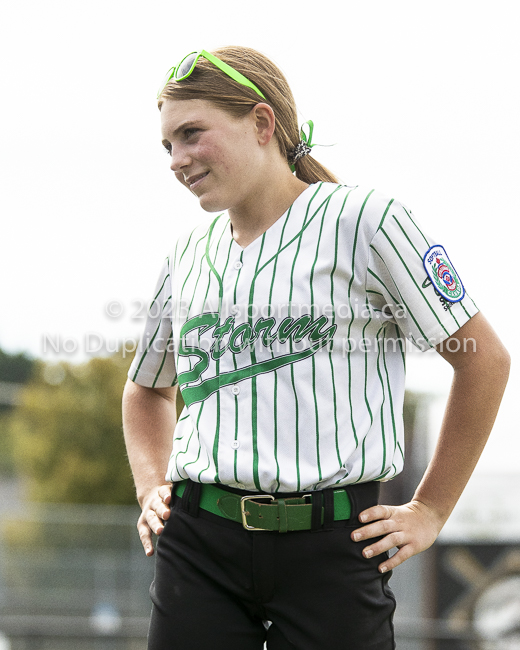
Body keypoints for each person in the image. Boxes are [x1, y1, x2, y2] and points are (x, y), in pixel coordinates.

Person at [122, 46, 510, 650]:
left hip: (334, 544)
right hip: (198, 545)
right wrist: (151, 487)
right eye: (167, 145)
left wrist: (430, 508)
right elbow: (146, 390)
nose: (177, 159)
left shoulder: (367, 220)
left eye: (192, 134)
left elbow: (483, 359)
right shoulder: (186, 254)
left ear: (261, 123)